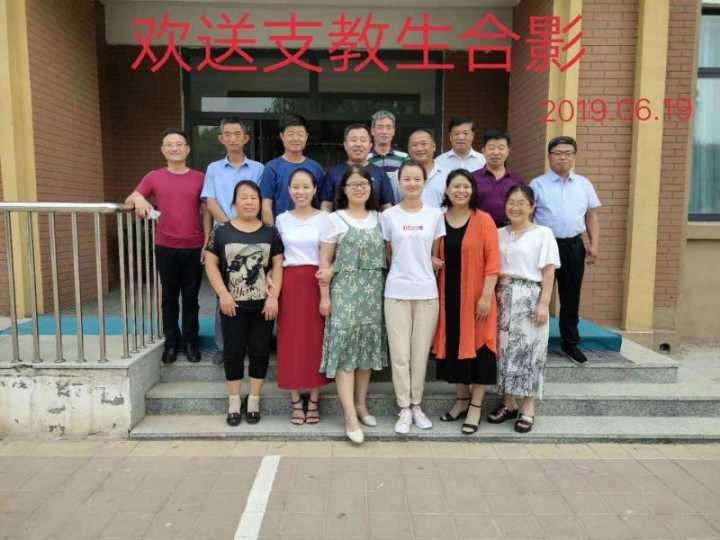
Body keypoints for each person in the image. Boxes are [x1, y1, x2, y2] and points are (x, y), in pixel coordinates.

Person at [125, 128, 210, 364]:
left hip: (194, 246)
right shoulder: (154, 177)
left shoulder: (200, 177)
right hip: (166, 246)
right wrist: (139, 198)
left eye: (179, 144)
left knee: (191, 297)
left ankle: (191, 341)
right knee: (169, 298)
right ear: (163, 150)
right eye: (170, 144)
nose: (175, 148)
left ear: (187, 149)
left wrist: (207, 241)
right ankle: (171, 343)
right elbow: (130, 199)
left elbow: (206, 211)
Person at [204, 181, 284, 426]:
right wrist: (223, 294)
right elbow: (211, 264)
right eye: (243, 197)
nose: (249, 202)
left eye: (253, 198)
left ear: (260, 202)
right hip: (232, 305)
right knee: (233, 352)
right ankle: (234, 400)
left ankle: (254, 399)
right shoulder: (221, 232)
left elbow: (278, 266)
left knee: (260, 352)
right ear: (234, 201)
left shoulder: (270, 232)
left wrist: (274, 297)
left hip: (262, 305)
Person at [319, 165, 388, 444]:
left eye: (364, 184)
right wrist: (325, 296)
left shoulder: (381, 218)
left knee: (366, 350)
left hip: (373, 291)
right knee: (346, 351)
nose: (359, 188)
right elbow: (325, 263)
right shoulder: (334, 219)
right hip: (345, 290)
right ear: (344, 190)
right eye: (354, 184)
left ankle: (361, 405)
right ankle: (349, 414)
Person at [432, 169, 500, 434]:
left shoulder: (483, 220)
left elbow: (493, 261)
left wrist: (486, 296)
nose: (461, 191)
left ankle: (475, 405)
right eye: (456, 186)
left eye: (466, 186)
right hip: (448, 297)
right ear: (447, 190)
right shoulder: (439, 220)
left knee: (480, 349)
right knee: (453, 347)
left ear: (473, 190)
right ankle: (461, 399)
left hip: (477, 298)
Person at [488, 186, 560, 433]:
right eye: (511, 202)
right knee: (504, 351)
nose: (515, 207)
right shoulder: (498, 233)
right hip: (502, 296)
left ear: (532, 207)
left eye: (521, 203)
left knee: (530, 352)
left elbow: (549, 270)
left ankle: (528, 407)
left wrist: (544, 303)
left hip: (529, 296)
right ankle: (508, 402)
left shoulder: (543, 234)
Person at [381, 160, 445, 434]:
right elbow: (388, 253)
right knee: (400, 354)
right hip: (396, 290)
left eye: (417, 179)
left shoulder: (435, 215)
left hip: (426, 292)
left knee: (420, 354)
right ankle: (403, 407)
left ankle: (417, 404)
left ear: (424, 182)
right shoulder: (388, 216)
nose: (411, 183)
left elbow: (434, 254)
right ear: (399, 182)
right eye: (406, 179)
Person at [530, 136, 601, 365]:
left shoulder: (583, 184)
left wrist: (594, 244)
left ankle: (570, 343)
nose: (563, 157)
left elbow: (591, 216)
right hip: (544, 246)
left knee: (571, 296)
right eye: (558, 153)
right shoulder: (537, 184)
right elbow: (528, 216)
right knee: (538, 295)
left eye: (568, 153)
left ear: (574, 156)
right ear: (549, 156)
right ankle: (534, 343)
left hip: (573, 245)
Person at [201, 117, 264, 362]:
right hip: (224, 235)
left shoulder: (258, 169)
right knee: (224, 290)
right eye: (227, 134)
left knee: (251, 286)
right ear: (221, 139)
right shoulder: (213, 169)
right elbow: (210, 200)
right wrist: (229, 226)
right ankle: (224, 346)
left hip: (253, 234)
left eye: (237, 134)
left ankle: (253, 344)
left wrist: (245, 227)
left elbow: (260, 200)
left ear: (245, 138)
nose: (233, 138)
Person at [275, 169, 330, 425]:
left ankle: (315, 400)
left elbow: (328, 257)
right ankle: (296, 400)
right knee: (290, 341)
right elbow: (276, 258)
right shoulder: (281, 220)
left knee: (315, 341)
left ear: (315, 189)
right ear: (289, 190)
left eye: (306, 186)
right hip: (290, 283)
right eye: (296, 186)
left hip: (316, 282)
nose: (301, 191)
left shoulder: (325, 219)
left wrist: (325, 291)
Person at [261, 114, 326, 226]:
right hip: (282, 230)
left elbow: (322, 202)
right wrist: (273, 231)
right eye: (291, 134)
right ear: (282, 136)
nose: (296, 138)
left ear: (306, 136)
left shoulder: (316, 168)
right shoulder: (271, 168)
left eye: (300, 134)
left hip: (312, 230)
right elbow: (266, 206)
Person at [320, 124, 395, 212]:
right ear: (345, 145)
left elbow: (387, 206)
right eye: (353, 140)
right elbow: (326, 204)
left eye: (363, 140)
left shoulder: (380, 173)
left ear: (370, 145)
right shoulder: (333, 173)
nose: (358, 144)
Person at [473, 130, 524, 227]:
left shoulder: (517, 180)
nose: (496, 152)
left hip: (510, 229)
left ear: (508, 151)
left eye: (501, 148)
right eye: (491, 148)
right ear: (483, 151)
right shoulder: (472, 178)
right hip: (479, 228)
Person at [367, 110, 408, 202]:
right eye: (380, 127)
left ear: (393, 131)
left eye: (388, 127)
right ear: (372, 131)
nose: (384, 132)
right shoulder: (365, 159)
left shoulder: (404, 158)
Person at [406, 128, 449, 208]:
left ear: (434, 146)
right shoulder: (399, 176)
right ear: (408, 149)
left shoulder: (447, 175)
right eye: (414, 145)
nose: (419, 149)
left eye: (424, 144)